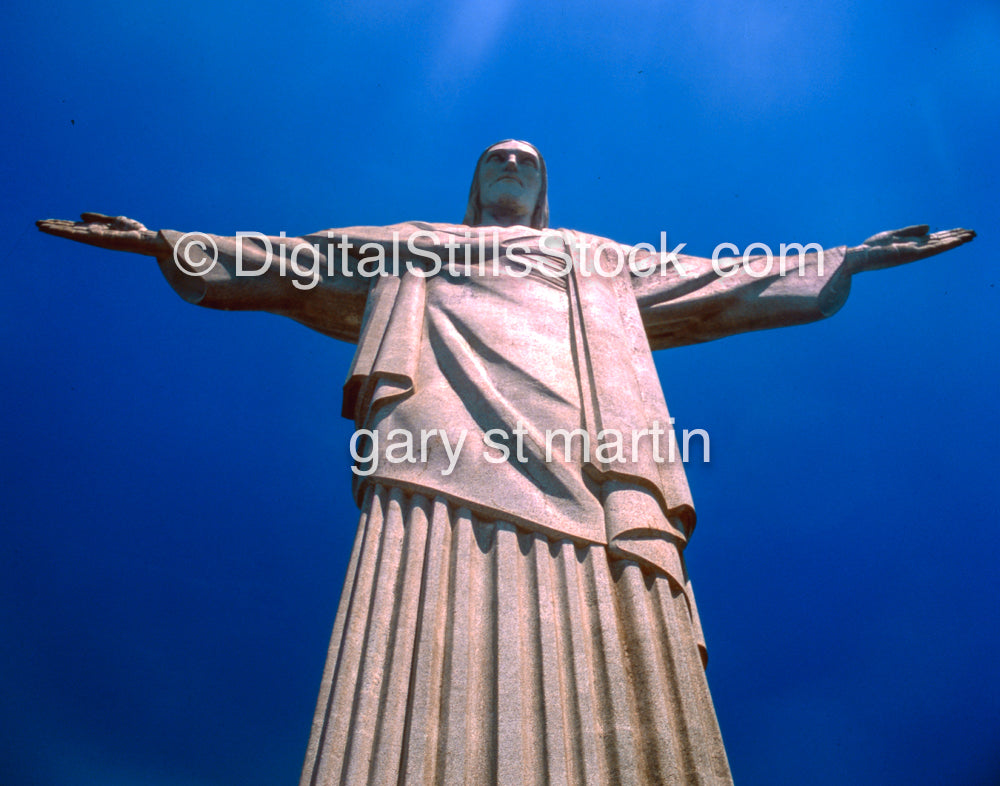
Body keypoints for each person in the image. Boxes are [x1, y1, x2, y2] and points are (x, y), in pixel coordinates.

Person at [37, 140, 974, 785]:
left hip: (590, 453)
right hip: (438, 445)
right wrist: (166, 242)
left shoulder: (595, 260)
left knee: (611, 609)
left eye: (528, 161)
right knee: (424, 594)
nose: (514, 167)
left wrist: (845, 259)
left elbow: (720, 279)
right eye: (498, 159)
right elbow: (289, 262)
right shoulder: (416, 244)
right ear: (477, 183)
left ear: (545, 188)